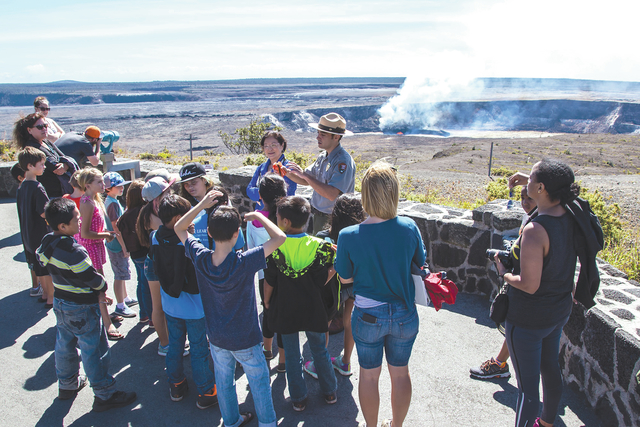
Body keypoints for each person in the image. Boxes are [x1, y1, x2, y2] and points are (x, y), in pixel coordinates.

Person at [174, 192, 286, 427]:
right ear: (237, 234)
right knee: (259, 384)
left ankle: (232, 420)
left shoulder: (200, 258)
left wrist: (202, 205)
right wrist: (259, 215)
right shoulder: (245, 262)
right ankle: (267, 423)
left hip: (216, 337)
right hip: (246, 338)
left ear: (211, 233)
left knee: (224, 383)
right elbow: (279, 237)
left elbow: (179, 227)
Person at [334, 162, 426, 427]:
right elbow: (419, 265)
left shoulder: (348, 235)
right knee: (400, 374)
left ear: (365, 194)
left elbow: (345, 278)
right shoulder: (409, 227)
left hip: (367, 317)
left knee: (369, 375)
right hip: (404, 314)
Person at [494, 159, 581, 427]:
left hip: (528, 319)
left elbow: (529, 284)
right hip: (557, 312)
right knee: (550, 370)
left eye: (531, 179)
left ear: (541, 187)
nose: (526, 181)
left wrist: (503, 271)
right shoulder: (570, 214)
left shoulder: (535, 230)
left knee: (528, 391)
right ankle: (546, 423)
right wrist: (528, 175)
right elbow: (558, 178)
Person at [36, 197, 137, 412]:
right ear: (63, 226)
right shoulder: (74, 251)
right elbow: (94, 280)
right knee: (94, 350)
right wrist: (102, 288)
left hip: (62, 302)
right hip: (83, 306)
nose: (80, 222)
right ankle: (104, 393)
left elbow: (41, 261)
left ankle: (67, 384)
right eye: (76, 219)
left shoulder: (47, 241)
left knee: (64, 344)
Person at [263, 196, 338, 412]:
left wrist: (266, 301)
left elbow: (270, 281)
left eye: (277, 216)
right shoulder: (319, 246)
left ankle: (298, 398)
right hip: (313, 308)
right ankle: (330, 391)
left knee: (293, 354)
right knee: (319, 350)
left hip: (286, 308)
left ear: (285, 222)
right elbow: (325, 276)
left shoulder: (275, 248)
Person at [151, 195, 217, 409]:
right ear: (180, 218)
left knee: (175, 346)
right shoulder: (188, 241)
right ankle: (206, 390)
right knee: (199, 349)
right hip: (195, 306)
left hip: (171, 303)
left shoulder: (155, 237)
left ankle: (176, 385)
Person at [470, 186, 537, 380]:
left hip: (524, 288)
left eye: (530, 198)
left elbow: (527, 281)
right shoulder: (538, 218)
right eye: (522, 198)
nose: (525, 202)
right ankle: (501, 363)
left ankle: (502, 365)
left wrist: (504, 273)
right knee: (515, 328)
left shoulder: (538, 223)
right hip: (539, 295)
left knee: (515, 327)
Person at [311, 193, 366, 378]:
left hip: (330, 287)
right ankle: (346, 362)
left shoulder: (322, 237)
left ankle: (321, 365)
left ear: (334, 214)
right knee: (349, 321)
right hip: (354, 284)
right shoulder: (362, 236)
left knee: (324, 324)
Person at [285, 113, 356, 235]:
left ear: (336, 137)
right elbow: (306, 180)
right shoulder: (323, 156)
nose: (318, 137)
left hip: (334, 219)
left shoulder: (342, 162)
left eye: (323, 135)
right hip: (319, 215)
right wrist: (286, 173)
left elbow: (331, 194)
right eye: (318, 133)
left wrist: (305, 176)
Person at [245, 174, 287, 370]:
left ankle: (267, 349)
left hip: (264, 276)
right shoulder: (287, 218)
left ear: (260, 195)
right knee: (286, 316)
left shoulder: (253, 221)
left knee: (268, 311)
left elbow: (251, 250)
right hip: (288, 274)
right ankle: (283, 361)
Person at [76, 168, 121, 341]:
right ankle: (107, 323)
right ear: (88, 185)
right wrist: (107, 234)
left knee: (99, 285)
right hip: (91, 247)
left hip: (96, 245)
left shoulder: (94, 200)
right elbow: (85, 233)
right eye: (99, 182)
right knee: (100, 285)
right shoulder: (87, 203)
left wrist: (104, 234)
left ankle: (105, 315)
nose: (103, 184)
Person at [137, 175, 175, 355]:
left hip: (154, 261)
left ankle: (166, 341)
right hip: (158, 263)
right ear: (158, 198)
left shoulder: (147, 213)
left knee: (159, 305)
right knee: (159, 307)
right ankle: (165, 344)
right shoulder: (156, 217)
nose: (171, 193)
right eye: (168, 191)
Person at [16, 147, 54, 307]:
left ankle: (45, 294)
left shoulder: (22, 186)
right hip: (40, 233)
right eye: (41, 164)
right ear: (30, 166)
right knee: (46, 267)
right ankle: (51, 297)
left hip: (27, 233)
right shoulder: (37, 188)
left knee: (38, 266)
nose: (44, 167)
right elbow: (44, 213)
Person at [178, 162, 246, 251]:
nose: (190, 187)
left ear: (204, 180)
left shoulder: (220, 198)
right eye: (186, 184)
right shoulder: (184, 206)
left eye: (194, 182)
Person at [13, 112, 77, 198]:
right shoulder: (32, 148)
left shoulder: (46, 142)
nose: (44, 129)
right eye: (40, 127)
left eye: (46, 125)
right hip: (50, 193)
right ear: (29, 130)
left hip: (61, 191)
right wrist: (66, 164)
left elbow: (65, 157)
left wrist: (65, 164)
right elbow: (56, 168)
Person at [117, 179, 152, 323]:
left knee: (141, 282)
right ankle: (151, 317)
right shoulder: (144, 212)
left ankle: (143, 313)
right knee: (149, 286)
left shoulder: (126, 213)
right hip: (145, 252)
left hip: (135, 254)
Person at [103, 172, 138, 319]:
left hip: (114, 243)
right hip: (117, 245)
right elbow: (116, 228)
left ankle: (125, 298)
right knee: (120, 274)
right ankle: (120, 305)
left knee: (122, 273)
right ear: (108, 188)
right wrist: (125, 247)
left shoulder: (111, 201)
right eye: (117, 186)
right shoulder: (112, 203)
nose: (121, 188)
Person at [11, 162, 42, 298]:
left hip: (26, 230)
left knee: (31, 259)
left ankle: (35, 286)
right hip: (34, 229)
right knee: (37, 260)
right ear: (20, 177)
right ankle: (38, 286)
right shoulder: (32, 187)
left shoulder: (21, 189)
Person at [246, 131, 297, 209]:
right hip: (261, 213)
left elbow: (289, 193)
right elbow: (249, 191)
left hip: (280, 213)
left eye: (273, 145)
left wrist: (262, 194)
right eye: (266, 146)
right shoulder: (261, 168)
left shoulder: (289, 168)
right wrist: (264, 193)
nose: (270, 149)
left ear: (282, 145)